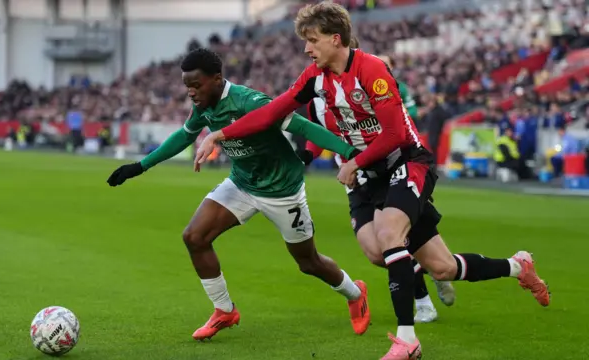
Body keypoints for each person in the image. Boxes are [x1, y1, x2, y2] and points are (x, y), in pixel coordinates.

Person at [194, 3, 550, 359]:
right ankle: (517, 266)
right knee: (422, 262)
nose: (307, 48)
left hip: (406, 162)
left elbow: (395, 133)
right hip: (370, 176)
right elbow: (272, 111)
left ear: (336, 39)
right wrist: (219, 135)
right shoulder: (315, 78)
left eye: (312, 40)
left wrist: (355, 162)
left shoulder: (372, 69)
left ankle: (408, 340)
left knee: (390, 236)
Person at [106, 48, 370, 342]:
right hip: (242, 184)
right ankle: (224, 310)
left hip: (283, 190)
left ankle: (355, 292)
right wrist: (140, 166)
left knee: (308, 263)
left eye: (197, 85)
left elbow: (303, 126)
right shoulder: (204, 105)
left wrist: (349, 153)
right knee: (194, 237)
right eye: (187, 87)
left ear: (217, 79)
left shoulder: (250, 101)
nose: (191, 93)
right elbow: (184, 135)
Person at [302, 35, 455, 324]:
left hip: (390, 167)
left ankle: (420, 307)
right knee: (376, 253)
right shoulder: (318, 94)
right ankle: (426, 270)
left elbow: (399, 120)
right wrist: (306, 158)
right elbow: (316, 133)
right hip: (356, 179)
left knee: (392, 240)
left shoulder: (374, 81)